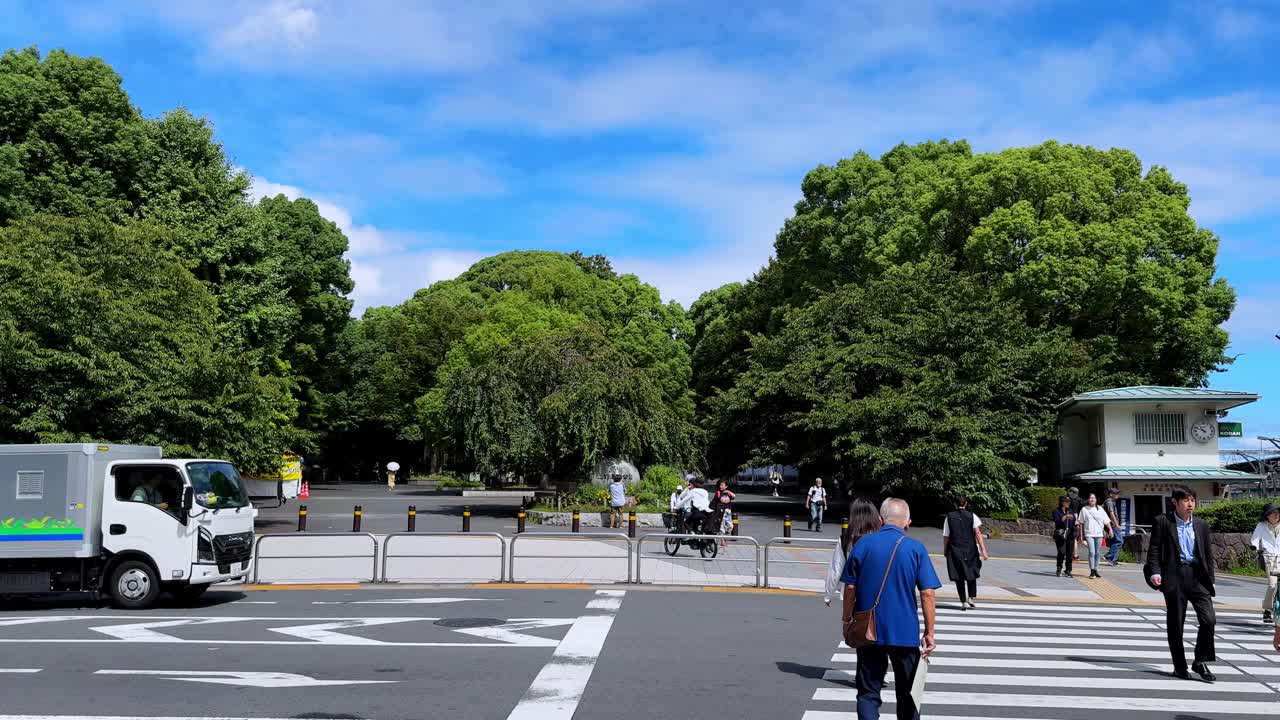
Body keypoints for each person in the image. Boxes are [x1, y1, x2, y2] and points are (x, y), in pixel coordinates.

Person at [840, 498, 940, 720]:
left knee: (868, 693)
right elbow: (927, 593)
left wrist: (847, 620)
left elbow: (849, 587)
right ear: (908, 522)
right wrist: (930, 632)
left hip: (868, 630)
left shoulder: (863, 545)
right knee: (908, 695)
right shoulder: (916, 549)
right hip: (905, 633)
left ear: (880, 519)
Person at [1146, 486, 1217, 682]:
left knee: (1209, 620)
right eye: (1185, 500)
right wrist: (1155, 573)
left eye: (1192, 500)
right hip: (1174, 577)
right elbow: (1153, 551)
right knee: (1176, 624)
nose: (1190, 504)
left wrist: (1210, 580)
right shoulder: (1162, 522)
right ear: (1175, 503)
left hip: (1197, 577)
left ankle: (1200, 660)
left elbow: (1208, 556)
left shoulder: (1201, 525)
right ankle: (1179, 666)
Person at [825, 498, 882, 606]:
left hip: (853, 594)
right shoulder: (881, 537)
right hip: (879, 592)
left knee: (854, 621)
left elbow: (836, 568)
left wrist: (828, 594)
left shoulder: (846, 538)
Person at [942, 497, 988, 610]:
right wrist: (983, 550)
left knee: (959, 576)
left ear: (954, 504)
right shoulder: (972, 516)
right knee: (971, 573)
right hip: (970, 549)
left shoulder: (950, 517)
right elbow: (977, 533)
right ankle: (971, 598)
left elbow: (946, 536)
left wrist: (945, 550)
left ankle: (963, 602)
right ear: (966, 504)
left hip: (955, 549)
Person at [1251, 503, 1280, 623]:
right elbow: (1255, 540)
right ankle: (1268, 610)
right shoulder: (1261, 526)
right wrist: (1256, 548)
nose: (1277, 514)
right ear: (1267, 516)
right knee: (1273, 585)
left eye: (1277, 512)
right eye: (1274, 513)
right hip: (1269, 558)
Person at [1076, 492, 1112, 578]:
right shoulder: (1084, 509)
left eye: (1094, 498)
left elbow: (1106, 521)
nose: (1092, 499)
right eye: (1091, 498)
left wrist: (1110, 529)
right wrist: (1081, 536)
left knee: (1097, 552)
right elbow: (1081, 523)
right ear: (1088, 500)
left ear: (1096, 500)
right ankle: (1092, 570)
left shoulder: (1100, 509)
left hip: (1099, 534)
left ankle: (1096, 569)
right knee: (1092, 552)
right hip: (1089, 533)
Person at [1051, 496, 1077, 577]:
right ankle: (1059, 568)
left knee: (1069, 553)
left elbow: (1074, 520)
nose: (1068, 503)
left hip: (1070, 534)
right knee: (1061, 552)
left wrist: (1075, 521)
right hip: (1061, 534)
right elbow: (1057, 521)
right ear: (1062, 502)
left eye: (1069, 501)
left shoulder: (1070, 510)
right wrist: (1065, 517)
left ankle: (1068, 570)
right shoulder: (1056, 511)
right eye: (1067, 502)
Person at [1104, 487, 1125, 566]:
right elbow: (1111, 514)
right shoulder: (1109, 502)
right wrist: (1117, 525)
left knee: (1115, 541)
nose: (1117, 495)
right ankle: (1109, 556)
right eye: (1116, 493)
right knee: (1120, 541)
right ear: (1111, 494)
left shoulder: (1111, 502)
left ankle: (1113, 560)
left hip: (1112, 525)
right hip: (1112, 525)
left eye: (1118, 493)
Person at [713, 481, 736, 547]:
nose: (721, 486)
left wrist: (728, 492)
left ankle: (724, 538)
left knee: (730, 526)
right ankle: (722, 541)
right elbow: (717, 499)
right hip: (720, 512)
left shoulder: (728, 493)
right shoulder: (718, 492)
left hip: (728, 512)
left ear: (726, 486)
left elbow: (734, 496)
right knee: (722, 527)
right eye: (720, 485)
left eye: (722, 485)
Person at [1067, 487, 1084, 561]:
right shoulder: (1080, 500)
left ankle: (1074, 554)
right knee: (1074, 537)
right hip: (1077, 518)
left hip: (1070, 518)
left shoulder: (1068, 500)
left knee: (1072, 537)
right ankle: (1074, 554)